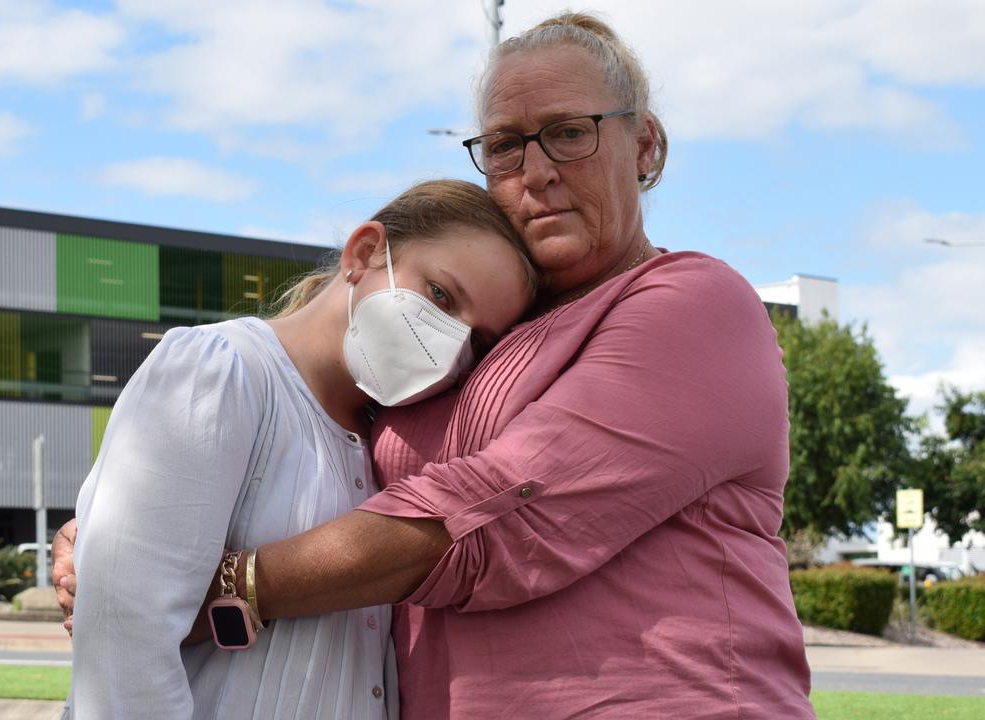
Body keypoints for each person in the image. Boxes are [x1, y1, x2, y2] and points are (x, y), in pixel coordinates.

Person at [56, 11, 815, 719]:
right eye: (506, 144)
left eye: (569, 133)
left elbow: (490, 518)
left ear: (644, 145)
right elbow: (314, 482)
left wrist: (215, 585)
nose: (536, 170)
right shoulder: (483, 343)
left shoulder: (690, 303)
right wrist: (122, 536)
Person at [65, 178, 536, 719]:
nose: (452, 342)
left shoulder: (387, 447)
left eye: (477, 340)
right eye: (440, 295)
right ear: (363, 253)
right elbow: (125, 640)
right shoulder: (221, 370)